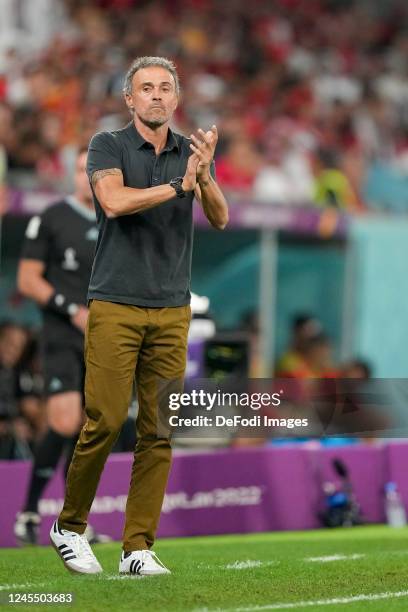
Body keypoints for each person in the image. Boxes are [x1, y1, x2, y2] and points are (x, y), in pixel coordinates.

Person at [49, 56, 228, 576]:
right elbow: (114, 200)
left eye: (165, 88)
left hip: (172, 310)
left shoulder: (190, 153)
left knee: (158, 432)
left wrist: (205, 175)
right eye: (145, 88)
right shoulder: (108, 145)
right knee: (104, 421)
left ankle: (137, 548)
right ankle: (70, 525)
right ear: (129, 99)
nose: (155, 96)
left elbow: (219, 218)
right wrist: (178, 186)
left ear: (176, 98)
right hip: (115, 304)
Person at [14, 148, 109, 544]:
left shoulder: (114, 220)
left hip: (103, 339)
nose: (83, 177)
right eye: (77, 169)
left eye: (92, 171)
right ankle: (30, 512)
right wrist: (72, 311)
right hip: (62, 336)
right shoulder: (51, 217)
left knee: (90, 429)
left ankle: (74, 525)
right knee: (65, 420)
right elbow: (28, 280)